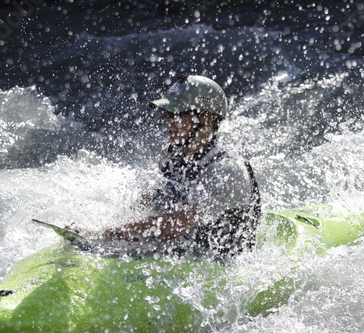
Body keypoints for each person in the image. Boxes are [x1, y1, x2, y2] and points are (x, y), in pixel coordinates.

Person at [77, 75, 261, 258]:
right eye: (167, 113)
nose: (168, 119)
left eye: (177, 113)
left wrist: (107, 233)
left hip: (219, 265)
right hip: (181, 251)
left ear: (207, 117)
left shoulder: (228, 170)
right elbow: (156, 198)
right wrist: (118, 222)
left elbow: (179, 222)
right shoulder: (172, 156)